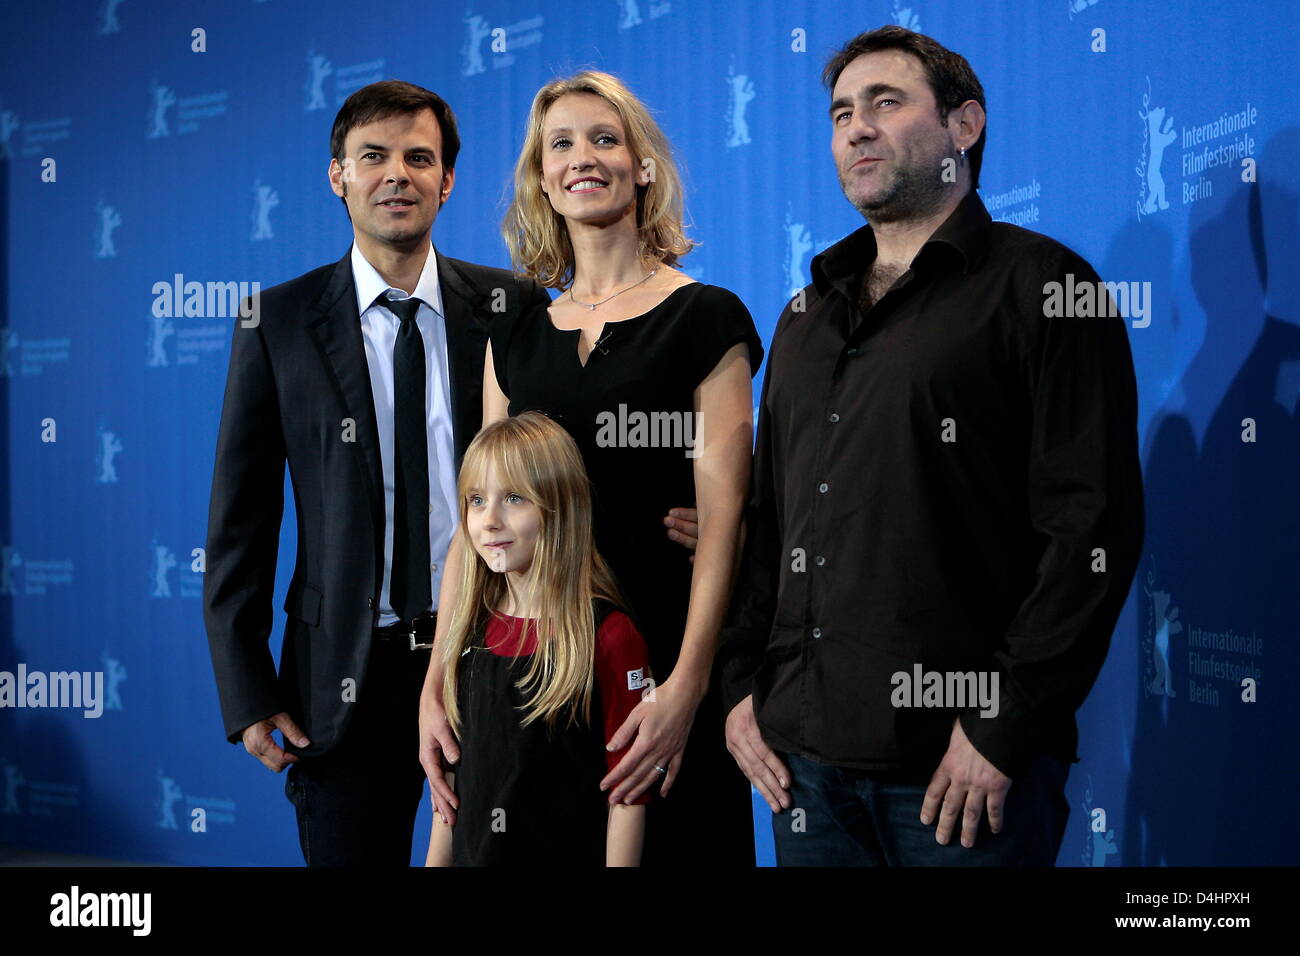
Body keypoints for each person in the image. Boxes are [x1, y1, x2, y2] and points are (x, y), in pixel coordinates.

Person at [718, 25, 1144, 866]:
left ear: (965, 125)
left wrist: (1002, 725)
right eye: (841, 112)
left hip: (959, 774)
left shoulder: (1049, 289)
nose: (856, 128)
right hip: (801, 766)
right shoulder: (805, 319)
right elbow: (770, 523)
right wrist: (739, 688)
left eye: (885, 102)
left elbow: (1090, 530)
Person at [202, 79, 551, 866]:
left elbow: (559, 469)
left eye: (419, 157)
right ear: (338, 175)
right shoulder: (277, 323)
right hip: (342, 677)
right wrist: (249, 692)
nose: (398, 174)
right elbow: (239, 523)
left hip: (493, 650)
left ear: (447, 180)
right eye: (374, 156)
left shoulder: (513, 308)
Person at [420, 70, 762, 867]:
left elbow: (722, 529)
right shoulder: (514, 336)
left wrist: (684, 687)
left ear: (643, 165)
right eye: (560, 144)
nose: (584, 157)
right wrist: (440, 679)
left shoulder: (706, 318)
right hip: (531, 676)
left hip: (660, 655)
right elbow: (476, 522)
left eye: (605, 139)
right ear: (542, 177)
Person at [424, 412, 653, 866]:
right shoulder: (468, 634)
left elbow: (628, 795)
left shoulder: (608, 636)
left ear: (558, 506)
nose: (489, 520)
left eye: (512, 498)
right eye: (475, 500)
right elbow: (448, 800)